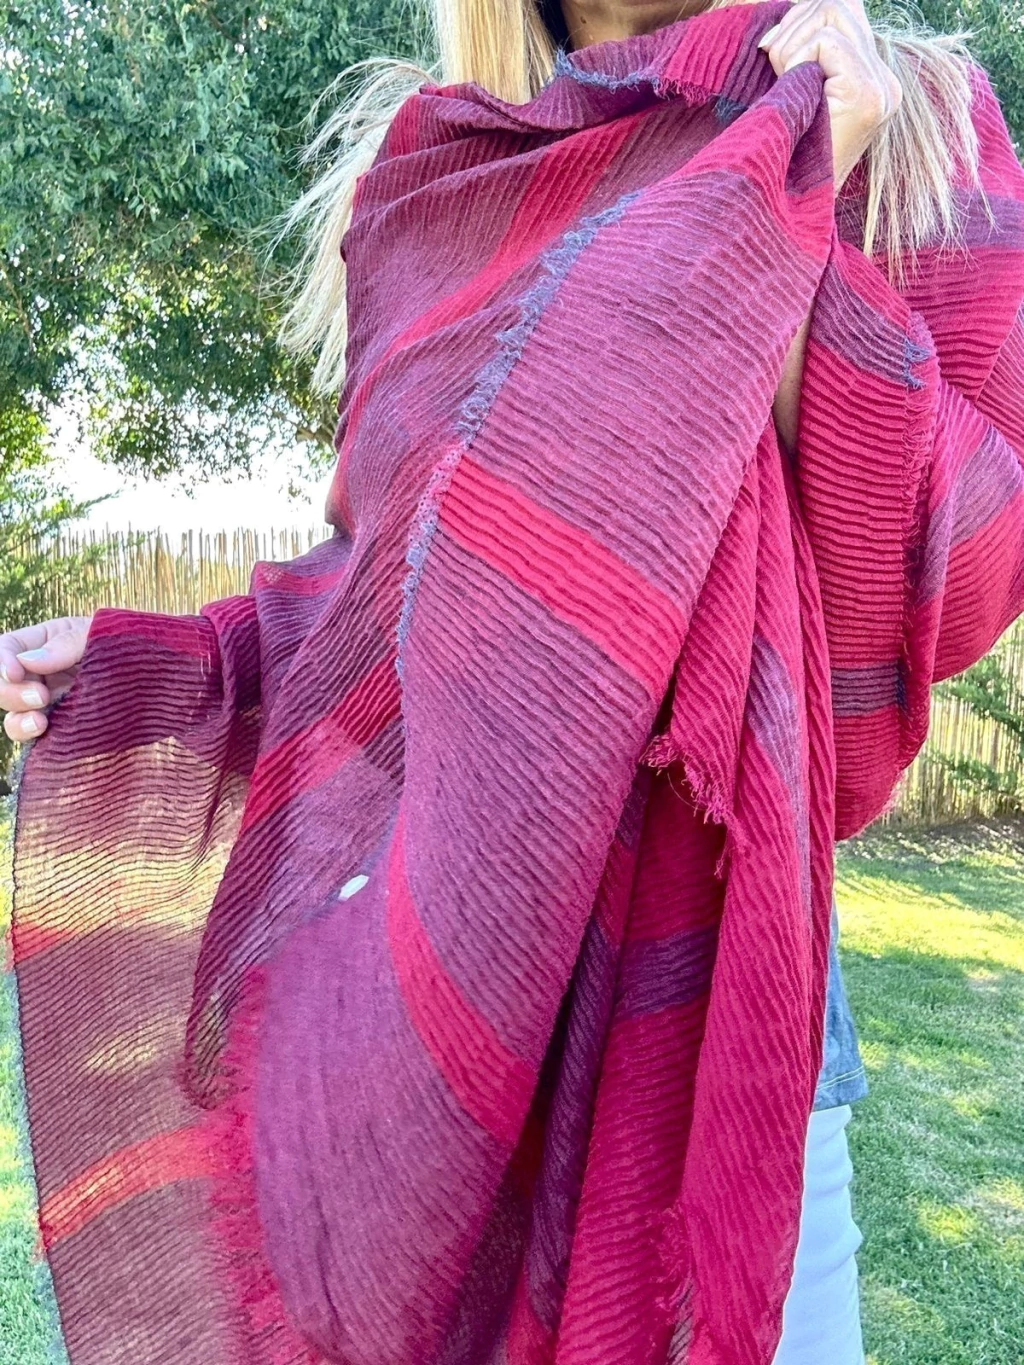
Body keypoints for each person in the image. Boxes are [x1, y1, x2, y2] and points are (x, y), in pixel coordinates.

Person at [2, 2, 1023, 1363]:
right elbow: (393, 596)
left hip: (723, 998)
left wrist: (790, 202)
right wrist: (174, 666)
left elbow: (965, 572)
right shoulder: (450, 164)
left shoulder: (909, 122)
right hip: (441, 968)